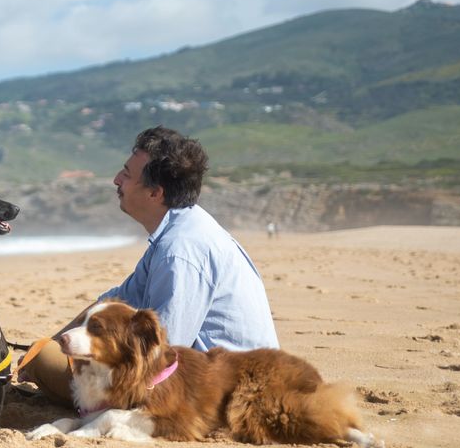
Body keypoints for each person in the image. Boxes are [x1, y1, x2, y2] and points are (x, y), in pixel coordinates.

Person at [17, 126, 279, 405]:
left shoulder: (181, 250)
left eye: (127, 175)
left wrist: (50, 358)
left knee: (47, 361)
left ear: (156, 193)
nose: (117, 180)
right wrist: (56, 340)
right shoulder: (179, 229)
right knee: (48, 351)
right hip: (215, 376)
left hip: (230, 393)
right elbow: (112, 302)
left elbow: (164, 353)